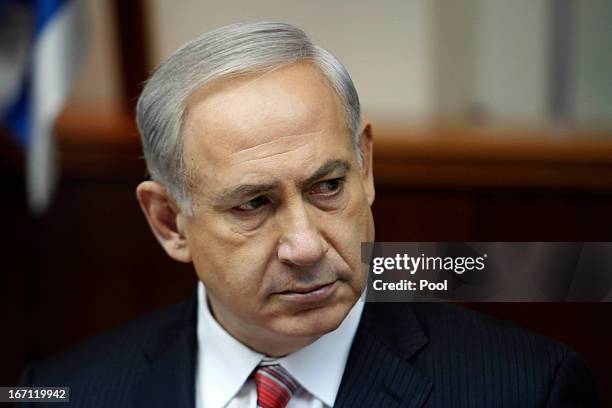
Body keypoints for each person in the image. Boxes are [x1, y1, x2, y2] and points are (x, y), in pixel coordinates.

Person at [20, 22, 601, 407]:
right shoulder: (62, 393)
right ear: (170, 222)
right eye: (253, 204)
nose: (305, 246)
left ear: (365, 167)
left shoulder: (528, 390)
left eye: (327, 187)